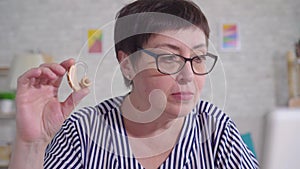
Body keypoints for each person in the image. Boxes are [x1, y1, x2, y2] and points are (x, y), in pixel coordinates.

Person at [9, 0, 259, 168]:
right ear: (128, 64)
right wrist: (31, 144)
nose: (188, 75)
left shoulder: (216, 128)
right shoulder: (83, 131)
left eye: (199, 58)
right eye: (169, 58)